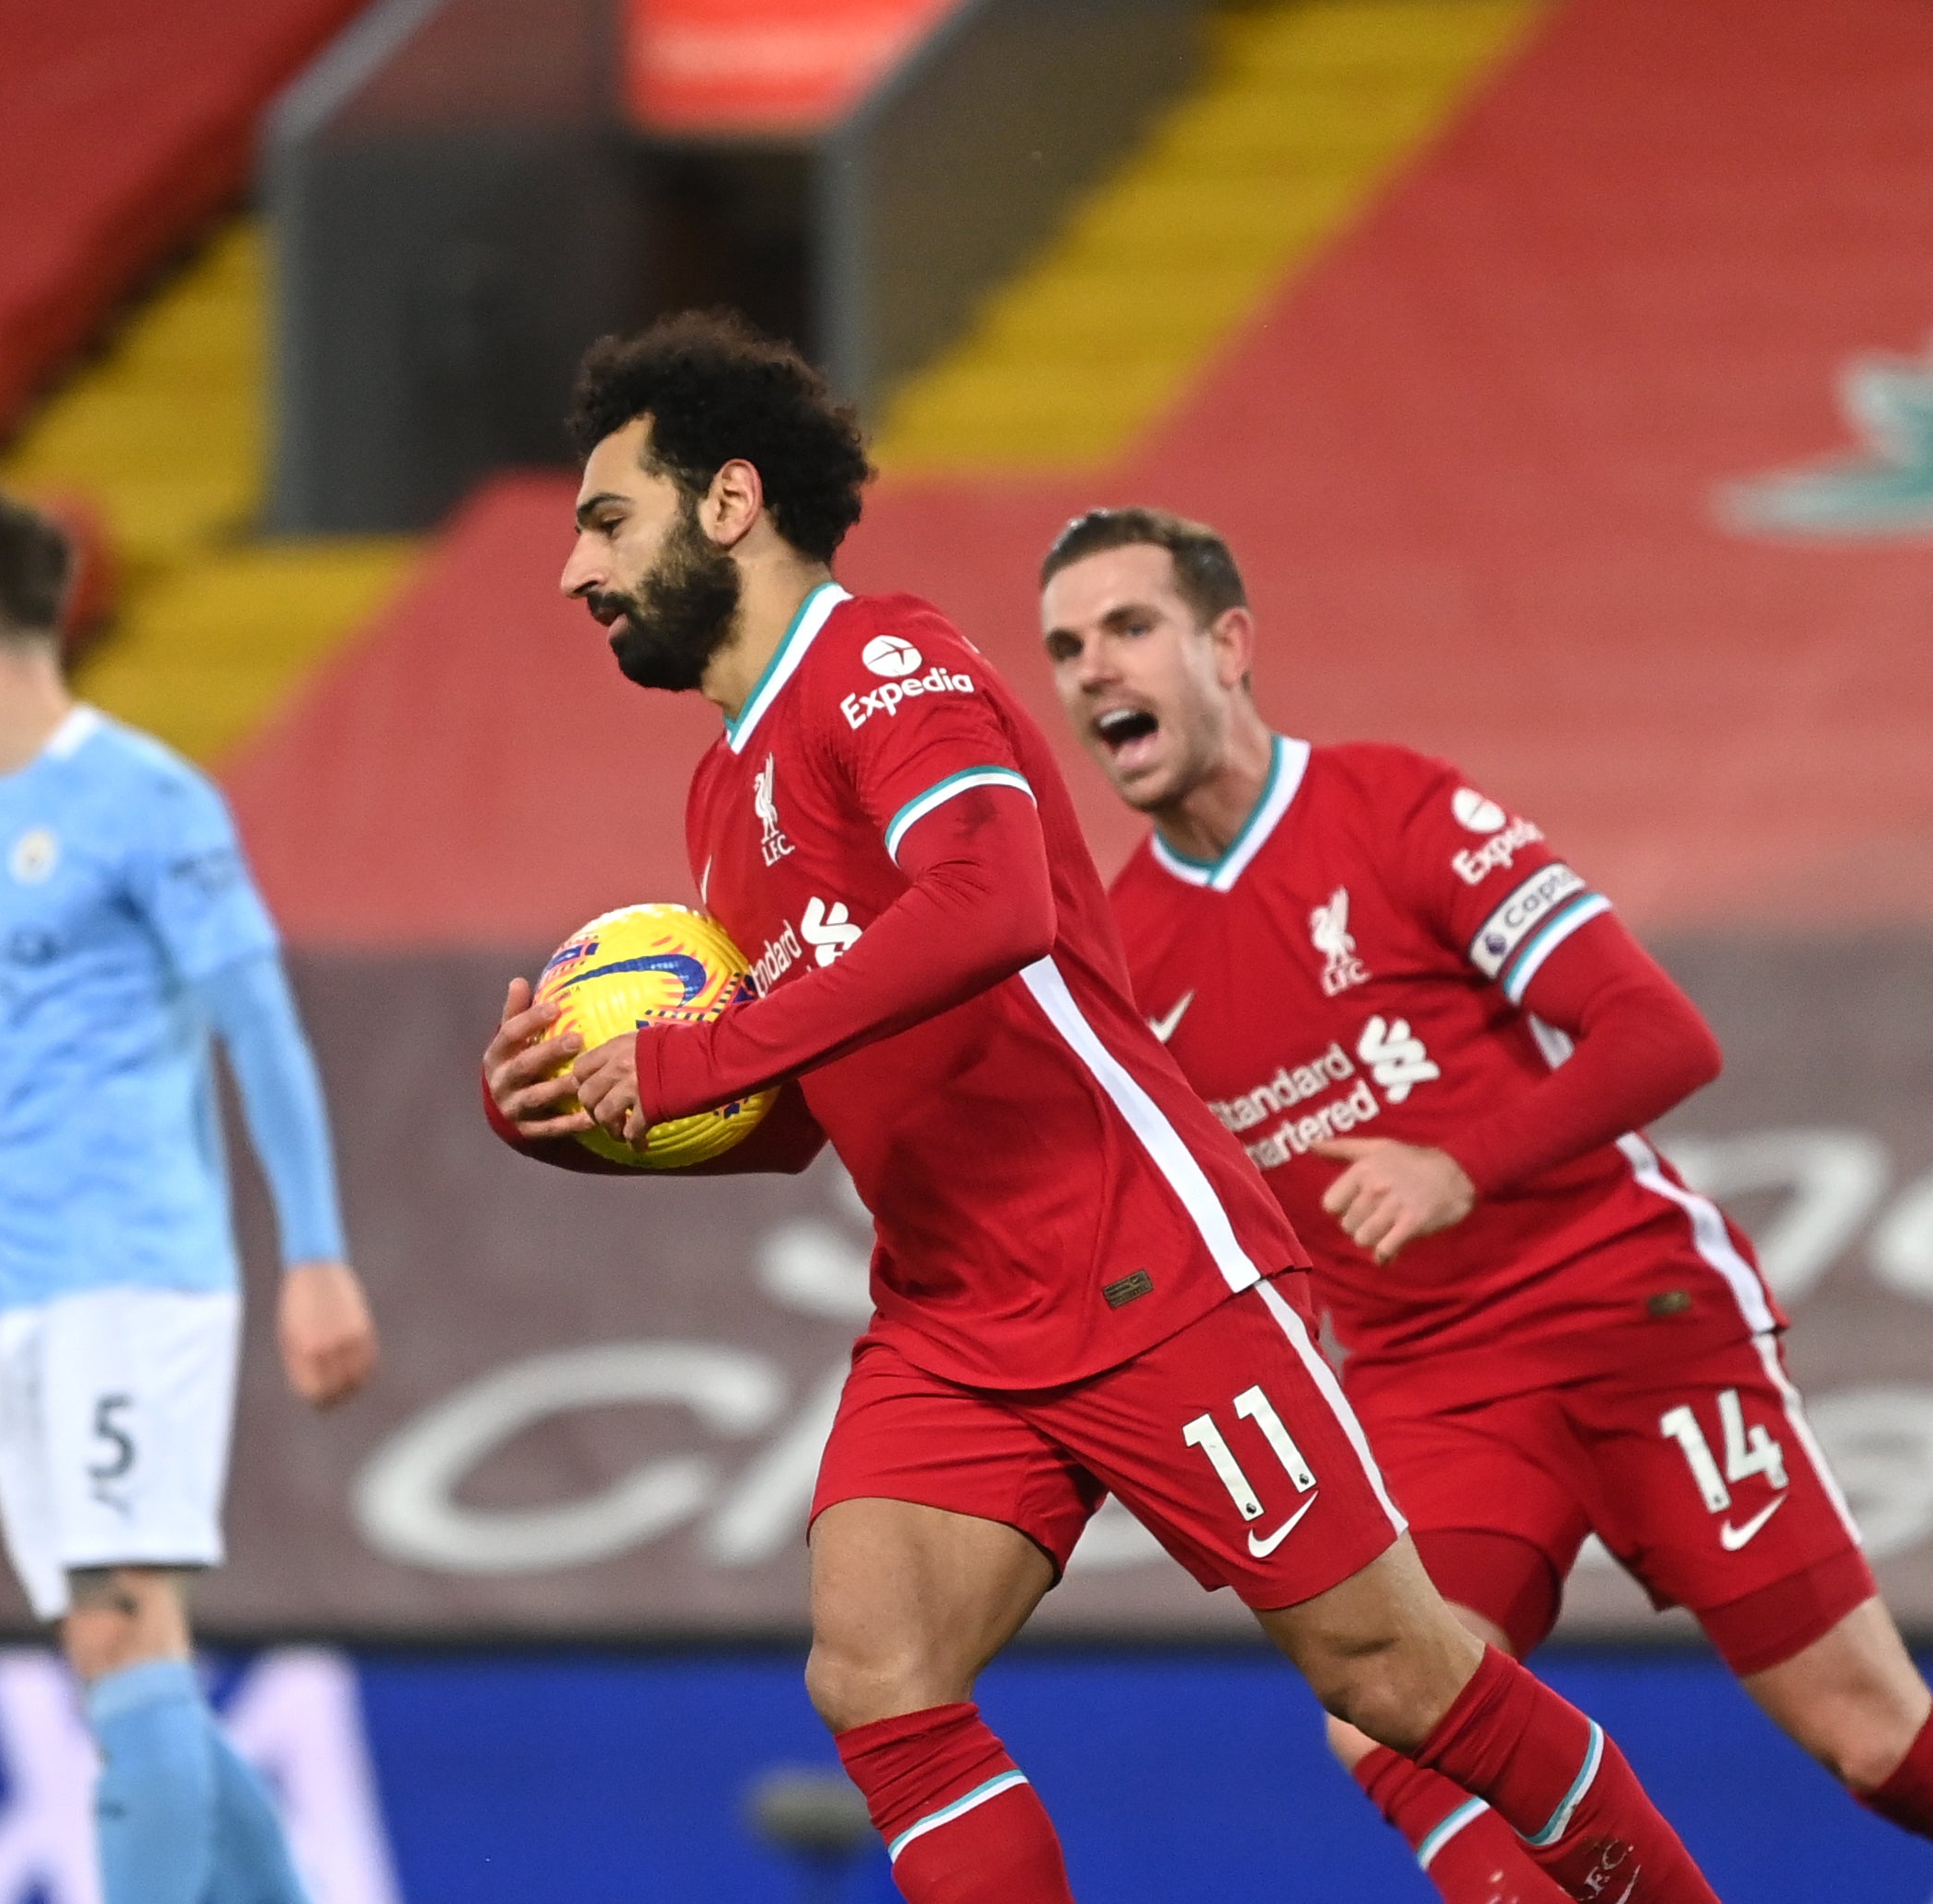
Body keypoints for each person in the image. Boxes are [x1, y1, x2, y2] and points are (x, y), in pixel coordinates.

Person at [478, 312, 1727, 1903]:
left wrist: (690, 1060)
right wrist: (584, 1119)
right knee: (875, 1678)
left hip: (1141, 1261)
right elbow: (804, 1101)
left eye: (606, 522)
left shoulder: (885, 661)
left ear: (728, 503)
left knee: (1395, 1677)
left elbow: (988, 901)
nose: (578, 575)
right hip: (949, 1309)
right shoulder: (721, 793)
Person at [1040, 504, 1933, 1899]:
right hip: (1429, 1387)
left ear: (1228, 646)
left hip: (1631, 1320)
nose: (1094, 668)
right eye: (1064, 647)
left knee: (1872, 1740)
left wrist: (1460, 1167)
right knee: (1382, 1713)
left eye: (1129, 628)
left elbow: (1659, 1035)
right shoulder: (1126, 959)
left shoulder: (1394, 808)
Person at [0, 485, 379, 1904]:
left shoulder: (148, 800)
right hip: (12, 1296)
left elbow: (256, 1027)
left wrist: (314, 1252)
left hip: (132, 1275)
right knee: (115, 1660)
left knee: (129, 1631)